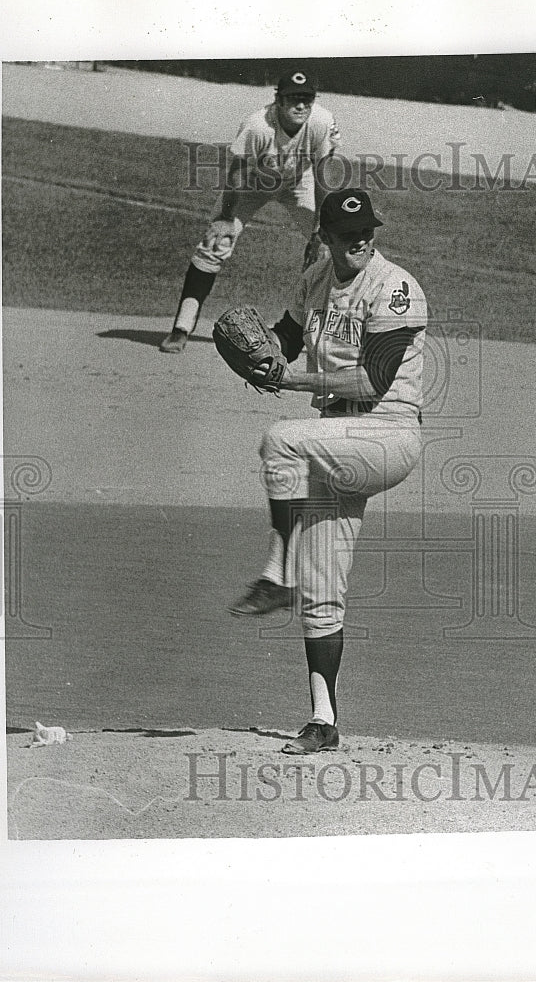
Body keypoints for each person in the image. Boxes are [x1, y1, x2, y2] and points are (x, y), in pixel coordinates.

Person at [230, 188, 428, 755]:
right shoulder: (316, 280)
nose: (360, 239)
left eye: (367, 229)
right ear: (325, 237)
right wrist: (262, 353)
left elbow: (373, 382)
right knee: (324, 588)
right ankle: (323, 720)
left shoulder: (394, 288)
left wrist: (285, 379)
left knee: (280, 439)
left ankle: (277, 570)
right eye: (347, 234)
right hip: (338, 440)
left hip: (386, 434)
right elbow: (285, 339)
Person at [160, 69, 341, 353]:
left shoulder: (321, 121)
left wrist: (320, 231)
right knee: (214, 244)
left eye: (307, 99)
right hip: (252, 184)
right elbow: (237, 175)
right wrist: (224, 219)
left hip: (299, 182)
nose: (301, 105)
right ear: (278, 100)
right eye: (293, 99)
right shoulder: (258, 126)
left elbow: (323, 177)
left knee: (334, 247)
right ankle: (181, 327)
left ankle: (327, 334)